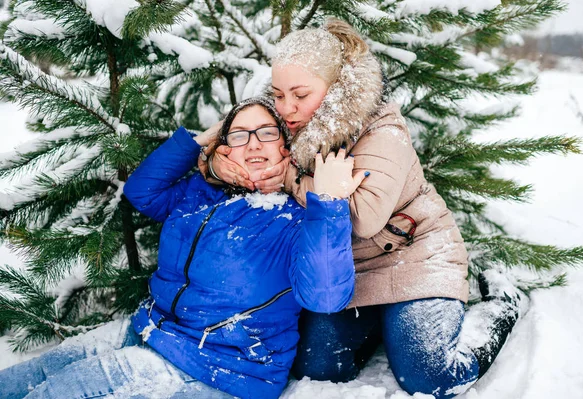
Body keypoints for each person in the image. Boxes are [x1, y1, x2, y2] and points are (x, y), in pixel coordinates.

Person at [204, 20, 527, 399]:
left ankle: (504, 303)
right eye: (277, 95)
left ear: (336, 88)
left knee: (430, 375)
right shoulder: (285, 119)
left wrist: (290, 177)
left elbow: (364, 217)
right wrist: (214, 163)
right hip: (350, 273)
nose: (286, 108)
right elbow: (222, 140)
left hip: (414, 256)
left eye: (300, 95)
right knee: (317, 365)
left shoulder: (382, 131)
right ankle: (382, 323)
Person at [0, 96, 366, 399]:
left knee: (63, 390)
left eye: (266, 133)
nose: (253, 143)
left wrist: (330, 204)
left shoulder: (295, 216)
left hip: (223, 368)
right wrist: (200, 143)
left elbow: (325, 297)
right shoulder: (200, 192)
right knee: (43, 369)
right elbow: (141, 191)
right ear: (223, 148)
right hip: (152, 328)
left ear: (285, 147)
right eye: (239, 134)